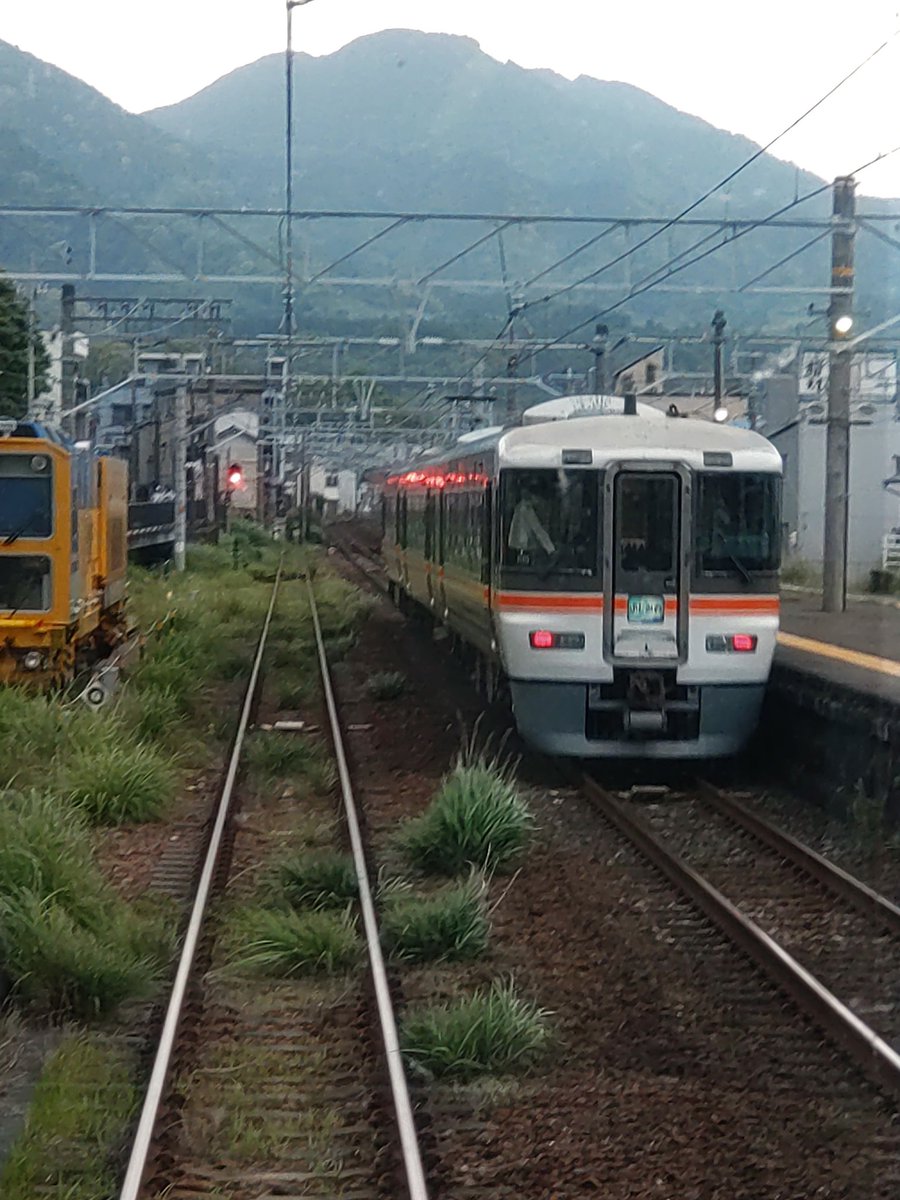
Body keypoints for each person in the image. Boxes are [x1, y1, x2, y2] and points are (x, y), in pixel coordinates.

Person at [509, 489, 555, 556]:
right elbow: (537, 529)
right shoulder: (526, 509)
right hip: (522, 547)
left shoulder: (521, 506)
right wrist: (551, 549)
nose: (540, 501)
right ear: (533, 496)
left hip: (517, 546)